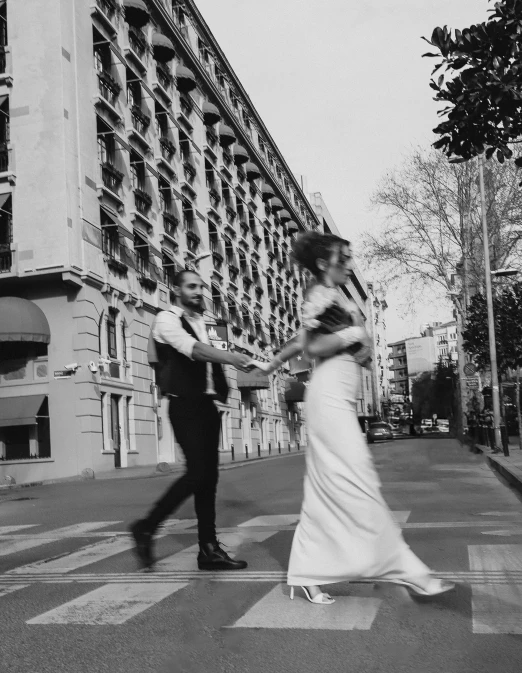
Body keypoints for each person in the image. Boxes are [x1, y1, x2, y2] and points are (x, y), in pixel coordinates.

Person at [261, 232, 455, 604]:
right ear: (323, 263)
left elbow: (303, 342)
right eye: (343, 257)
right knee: (360, 480)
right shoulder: (317, 294)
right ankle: (410, 571)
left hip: (339, 395)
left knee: (325, 491)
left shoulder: (331, 295)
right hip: (330, 395)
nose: (350, 264)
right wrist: (353, 332)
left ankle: (306, 573)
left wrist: (273, 361)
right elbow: (315, 345)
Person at [130, 269, 253, 571]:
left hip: (207, 405)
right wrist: (232, 358)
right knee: (198, 473)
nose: (199, 291)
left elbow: (208, 355)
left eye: (201, 287)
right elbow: (194, 351)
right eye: (191, 286)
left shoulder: (202, 323)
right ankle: (146, 526)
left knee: (208, 480)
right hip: (184, 405)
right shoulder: (166, 320)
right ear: (177, 290)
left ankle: (208, 550)